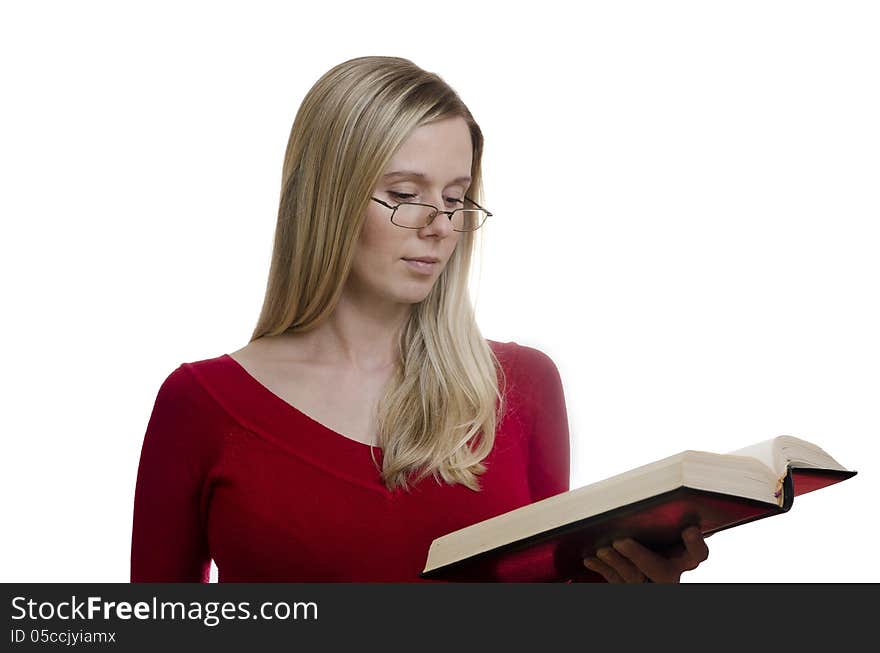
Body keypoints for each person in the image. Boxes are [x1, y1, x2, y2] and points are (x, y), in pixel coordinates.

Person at [129, 55, 709, 583]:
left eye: (457, 200)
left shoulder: (522, 386)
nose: (440, 226)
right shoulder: (201, 406)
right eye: (406, 194)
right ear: (329, 198)